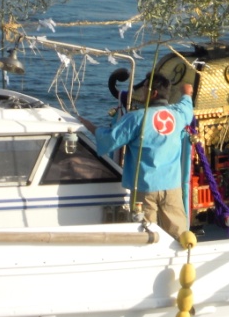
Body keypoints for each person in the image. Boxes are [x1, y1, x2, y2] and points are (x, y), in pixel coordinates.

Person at [79, 74, 194, 240]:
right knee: (179, 233)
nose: (142, 92)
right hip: (172, 187)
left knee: (146, 233)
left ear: (153, 93)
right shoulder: (178, 115)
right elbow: (187, 106)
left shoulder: (136, 118)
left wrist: (90, 127)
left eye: (145, 88)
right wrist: (186, 93)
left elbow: (111, 139)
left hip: (144, 189)